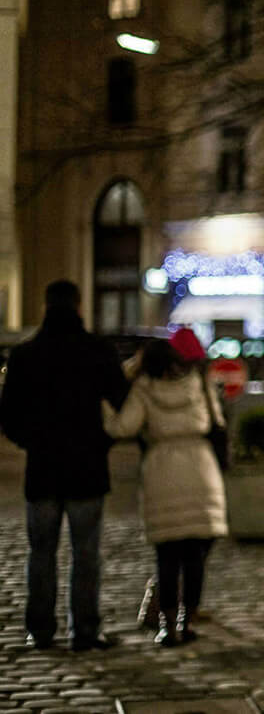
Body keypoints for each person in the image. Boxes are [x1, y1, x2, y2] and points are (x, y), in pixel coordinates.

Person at [0, 279, 129, 651]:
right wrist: (102, 442)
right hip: (87, 468)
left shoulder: (25, 355)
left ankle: (40, 630)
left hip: (42, 468)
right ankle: (84, 630)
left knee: (40, 554)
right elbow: (122, 405)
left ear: (45, 306)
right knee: (85, 554)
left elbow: (7, 417)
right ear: (78, 305)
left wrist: (33, 443)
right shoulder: (97, 351)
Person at [104, 329, 228, 646]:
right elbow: (218, 423)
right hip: (200, 467)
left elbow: (123, 427)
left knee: (167, 553)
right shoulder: (197, 382)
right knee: (195, 553)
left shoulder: (145, 388)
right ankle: (188, 620)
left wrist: (104, 407)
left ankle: (167, 625)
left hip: (161, 469)